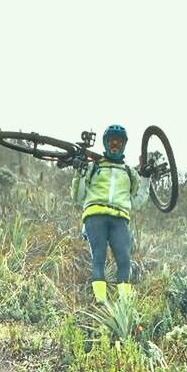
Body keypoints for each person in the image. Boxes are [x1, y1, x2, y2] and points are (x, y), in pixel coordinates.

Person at [70, 125, 152, 303]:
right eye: (111, 140)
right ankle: (101, 302)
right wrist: (80, 172)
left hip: (120, 219)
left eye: (119, 141)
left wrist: (146, 179)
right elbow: (78, 196)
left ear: (123, 144)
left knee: (124, 260)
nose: (115, 144)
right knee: (98, 257)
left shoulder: (129, 172)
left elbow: (137, 203)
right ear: (105, 143)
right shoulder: (94, 166)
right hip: (95, 215)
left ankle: (123, 304)